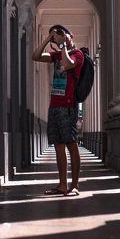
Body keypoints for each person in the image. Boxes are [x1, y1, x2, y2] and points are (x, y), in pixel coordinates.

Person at [32, 24, 85, 196]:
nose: (60, 37)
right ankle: (62, 185)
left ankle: (74, 186)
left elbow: (68, 64)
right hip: (54, 105)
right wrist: (48, 38)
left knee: (71, 145)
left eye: (63, 34)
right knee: (58, 145)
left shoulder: (78, 54)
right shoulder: (55, 56)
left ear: (71, 35)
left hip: (68, 105)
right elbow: (35, 56)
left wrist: (62, 45)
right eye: (57, 37)